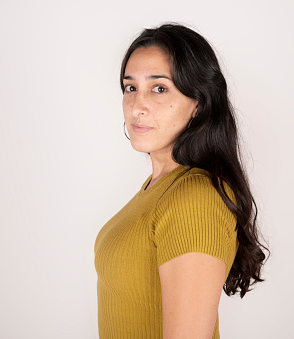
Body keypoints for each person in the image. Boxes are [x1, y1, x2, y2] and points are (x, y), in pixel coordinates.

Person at [94, 23, 268, 339]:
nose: (137, 106)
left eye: (159, 88)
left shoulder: (195, 198)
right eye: (130, 87)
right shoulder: (157, 189)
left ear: (199, 103)